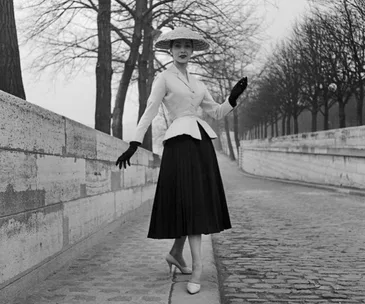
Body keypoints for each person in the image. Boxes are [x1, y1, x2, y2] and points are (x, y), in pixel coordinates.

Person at [116, 27, 247, 295]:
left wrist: (233, 98)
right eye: (178, 46)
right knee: (189, 201)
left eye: (187, 46)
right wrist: (134, 143)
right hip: (179, 144)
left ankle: (177, 253)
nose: (183, 50)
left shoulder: (198, 84)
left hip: (200, 144)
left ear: (192, 50)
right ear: (170, 50)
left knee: (194, 201)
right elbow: (150, 110)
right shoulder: (164, 78)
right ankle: (197, 267)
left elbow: (217, 112)